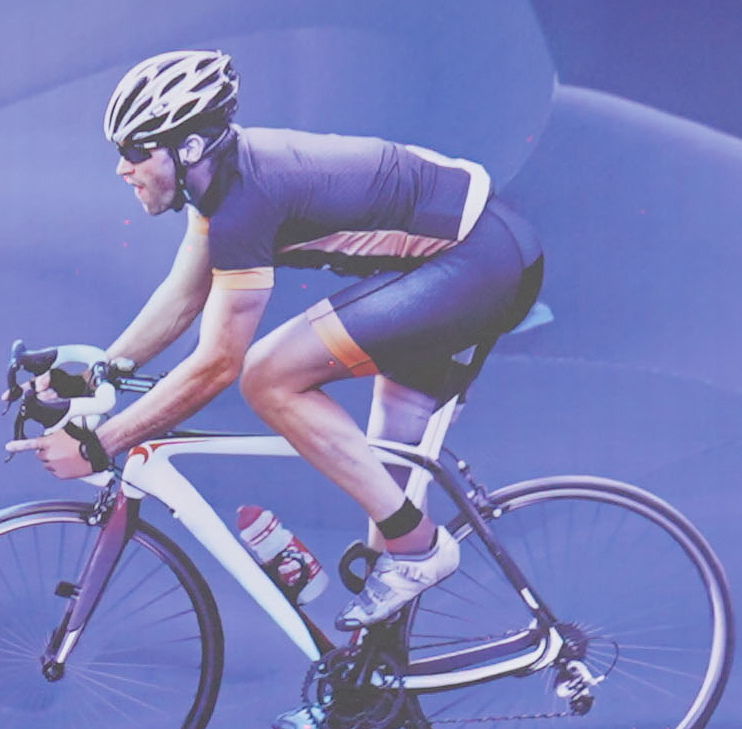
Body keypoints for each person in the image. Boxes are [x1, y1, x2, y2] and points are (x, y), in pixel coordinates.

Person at [35, 48, 544, 645]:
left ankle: (419, 548)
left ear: (189, 147)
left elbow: (217, 366)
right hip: (474, 255)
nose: (123, 168)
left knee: (268, 375)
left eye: (136, 150)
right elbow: (182, 297)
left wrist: (102, 442)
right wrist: (91, 376)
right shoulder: (221, 186)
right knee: (382, 498)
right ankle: (377, 666)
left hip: (479, 264)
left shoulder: (245, 201)